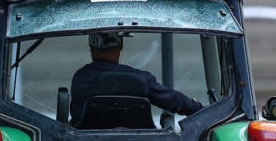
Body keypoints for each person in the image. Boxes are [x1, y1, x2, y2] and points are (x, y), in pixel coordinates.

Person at [70, 32, 203, 125]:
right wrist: (200, 110)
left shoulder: (80, 79)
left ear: (91, 48)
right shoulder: (141, 80)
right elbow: (172, 99)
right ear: (121, 47)